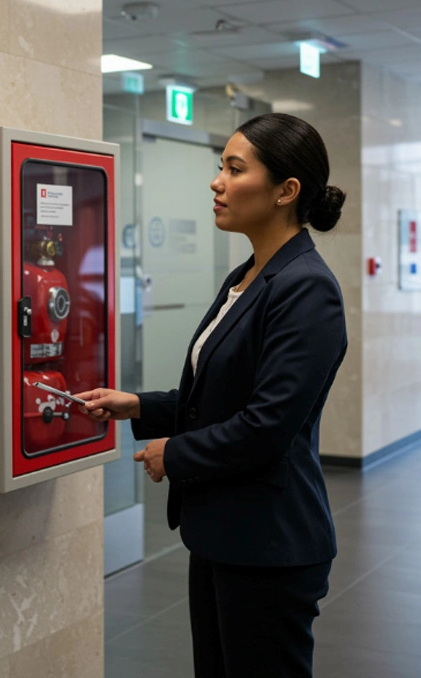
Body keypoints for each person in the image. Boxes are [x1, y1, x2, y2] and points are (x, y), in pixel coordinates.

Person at [79, 112, 347, 678]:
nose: (216, 181)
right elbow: (220, 394)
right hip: (226, 530)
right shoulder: (249, 276)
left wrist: (170, 452)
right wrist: (141, 406)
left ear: (286, 191)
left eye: (234, 168)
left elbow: (266, 426)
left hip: (271, 542)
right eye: (218, 166)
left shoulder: (307, 289)